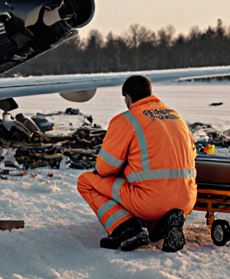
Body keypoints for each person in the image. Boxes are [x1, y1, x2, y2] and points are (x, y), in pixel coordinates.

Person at [77, 75, 197, 252]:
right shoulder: (175, 116)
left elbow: (104, 168)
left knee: (86, 181)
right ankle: (162, 226)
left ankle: (126, 229)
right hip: (186, 199)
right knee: (150, 190)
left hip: (150, 201)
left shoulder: (126, 120)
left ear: (127, 98)